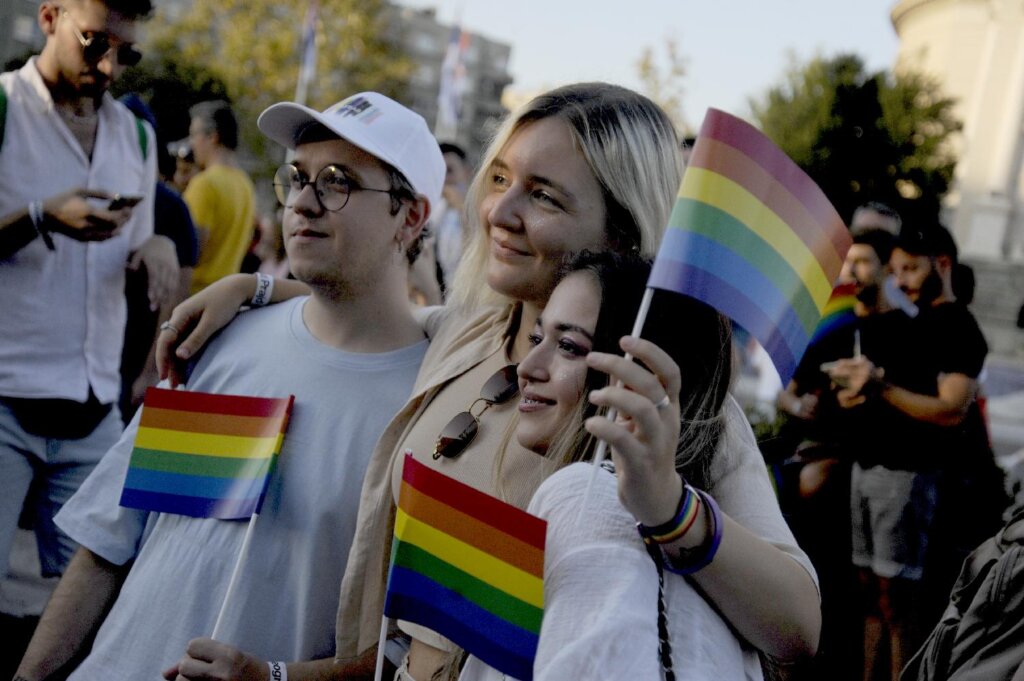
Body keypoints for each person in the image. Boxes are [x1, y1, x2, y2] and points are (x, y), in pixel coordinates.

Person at [157, 83, 821, 679]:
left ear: (617, 232)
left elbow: (798, 625)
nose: (498, 209)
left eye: (541, 194)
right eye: (500, 177)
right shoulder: (467, 333)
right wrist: (254, 287)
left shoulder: (665, 404)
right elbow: (380, 306)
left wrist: (673, 510)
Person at [14, 91, 444, 681]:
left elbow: (405, 651)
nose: (304, 203)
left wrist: (271, 675)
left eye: (338, 182)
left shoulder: (431, 407)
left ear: (411, 216)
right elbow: (107, 548)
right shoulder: (220, 339)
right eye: (297, 178)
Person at [453, 250, 764, 680]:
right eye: (536, 338)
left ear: (641, 382)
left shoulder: (588, 497)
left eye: (568, 346)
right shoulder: (692, 559)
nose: (527, 368)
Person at [0, 0, 178, 621]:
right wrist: (42, 216)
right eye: (94, 43)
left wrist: (156, 246)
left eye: (125, 53)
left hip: (94, 412)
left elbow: (137, 249)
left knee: (97, 617)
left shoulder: (136, 135)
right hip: (6, 404)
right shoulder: (4, 109)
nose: (107, 66)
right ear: (49, 17)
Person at [826, 222, 1000, 681]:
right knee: (872, 595)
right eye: (896, 269)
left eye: (911, 269)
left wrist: (878, 386)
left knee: (901, 600)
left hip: (917, 480)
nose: (900, 280)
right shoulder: (912, 322)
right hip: (876, 467)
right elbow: (886, 390)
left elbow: (949, 409)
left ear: (941, 264)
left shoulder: (959, 327)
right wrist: (855, 390)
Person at [117, 93, 200, 422]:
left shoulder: (168, 206)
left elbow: (177, 292)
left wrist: (152, 369)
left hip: (133, 359)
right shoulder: (89, 192)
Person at [184, 99, 256, 294]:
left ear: (213, 137)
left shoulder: (204, 184)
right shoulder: (246, 185)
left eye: (193, 135)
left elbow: (190, 253)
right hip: (225, 299)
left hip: (194, 298)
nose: (191, 144)